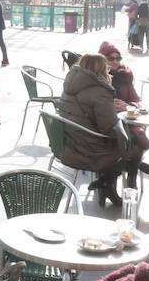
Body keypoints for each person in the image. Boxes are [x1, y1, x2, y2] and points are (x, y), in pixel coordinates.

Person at [58, 53, 143, 205]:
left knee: (124, 143)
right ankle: (111, 184)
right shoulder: (99, 90)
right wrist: (116, 113)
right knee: (134, 148)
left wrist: (108, 107)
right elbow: (108, 127)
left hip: (68, 143)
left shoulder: (71, 84)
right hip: (88, 149)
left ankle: (105, 183)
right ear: (101, 69)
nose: (109, 71)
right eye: (107, 67)